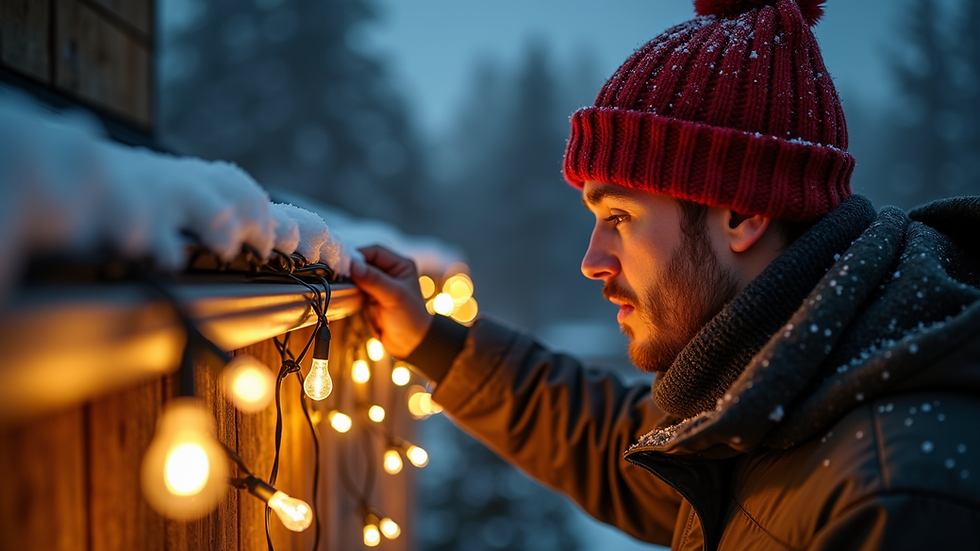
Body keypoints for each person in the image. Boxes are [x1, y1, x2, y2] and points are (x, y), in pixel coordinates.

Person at [351, 0, 980, 548]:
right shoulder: (773, 395)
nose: (591, 260)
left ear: (743, 211)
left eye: (619, 215)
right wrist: (429, 340)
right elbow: (616, 446)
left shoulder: (894, 501)